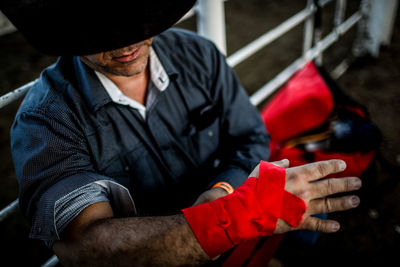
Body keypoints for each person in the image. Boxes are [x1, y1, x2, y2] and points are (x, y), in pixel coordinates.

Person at [3, 0, 361, 266]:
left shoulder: (199, 54)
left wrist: (222, 190)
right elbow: (82, 244)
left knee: (316, 232)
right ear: (66, 32)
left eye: (137, 19)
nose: (127, 42)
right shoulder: (46, 121)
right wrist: (230, 216)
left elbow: (250, 137)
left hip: (234, 216)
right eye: (101, 33)